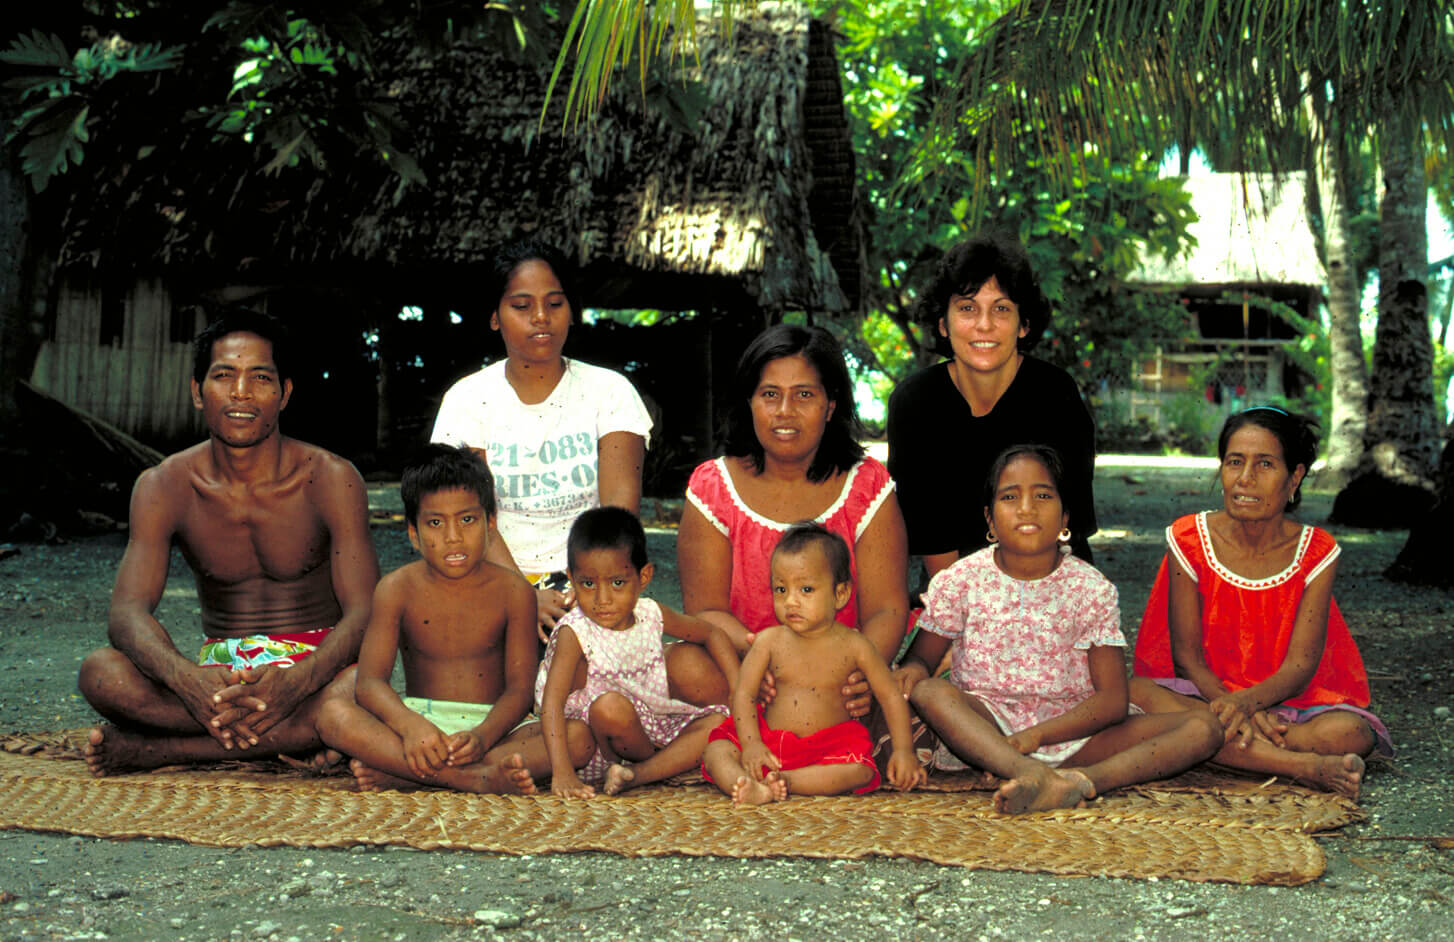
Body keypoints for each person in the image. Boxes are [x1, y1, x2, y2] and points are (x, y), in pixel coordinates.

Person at [78, 310, 380, 775]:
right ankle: (294, 738)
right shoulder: (164, 485)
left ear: (285, 394)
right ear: (198, 392)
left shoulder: (331, 478)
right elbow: (126, 613)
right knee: (99, 673)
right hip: (215, 672)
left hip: (313, 666)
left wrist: (298, 682)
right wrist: (189, 682)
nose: (241, 393)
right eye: (224, 376)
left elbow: (365, 612)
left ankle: (160, 751)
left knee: (357, 687)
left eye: (260, 377)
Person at [894, 445, 1222, 813]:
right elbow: (923, 656)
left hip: (1078, 732)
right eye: (1009, 496)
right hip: (989, 728)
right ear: (989, 519)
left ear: (1065, 517)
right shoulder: (962, 580)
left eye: (1043, 495)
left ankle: (1081, 782)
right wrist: (913, 669)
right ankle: (1026, 772)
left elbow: (1113, 700)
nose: (1026, 507)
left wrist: (1035, 737)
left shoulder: (1090, 589)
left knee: (1204, 730)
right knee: (931, 693)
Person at [1130, 408, 1393, 799]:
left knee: (1351, 734)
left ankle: (1232, 751)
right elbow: (1186, 656)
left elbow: (1301, 667)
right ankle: (1304, 766)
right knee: (1135, 694)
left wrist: (1247, 706)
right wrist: (1229, 706)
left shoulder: (1316, 551)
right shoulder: (1188, 539)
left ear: (1295, 477)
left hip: (1291, 705)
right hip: (1202, 695)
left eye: (1265, 464)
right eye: (1235, 462)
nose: (1245, 478)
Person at [674, 324, 909, 713]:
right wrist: (766, 663)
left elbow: (887, 609)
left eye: (804, 395)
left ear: (830, 405)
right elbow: (705, 611)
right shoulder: (712, 486)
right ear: (749, 401)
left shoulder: (867, 485)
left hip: (839, 674)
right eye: (770, 395)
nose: (785, 411)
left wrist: (857, 673)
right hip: (748, 671)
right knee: (684, 665)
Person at [314, 445, 573, 793]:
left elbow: (520, 690)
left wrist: (482, 736)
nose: (453, 536)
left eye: (467, 519)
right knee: (333, 715)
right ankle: (475, 778)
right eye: (435, 523)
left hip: (495, 729)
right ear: (413, 534)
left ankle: (404, 772)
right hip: (421, 724)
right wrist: (410, 726)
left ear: (490, 524)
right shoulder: (396, 589)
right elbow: (371, 683)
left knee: (580, 737)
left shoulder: (515, 591)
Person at [431, 240, 653, 635]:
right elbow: (470, 517)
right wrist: (524, 595)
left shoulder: (610, 392)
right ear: (495, 317)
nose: (540, 317)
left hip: (591, 582)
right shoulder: (466, 401)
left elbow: (618, 519)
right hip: (492, 577)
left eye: (554, 304)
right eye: (521, 306)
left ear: (571, 311)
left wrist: (581, 592)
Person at [887, 231, 1097, 586]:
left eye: (1001, 309)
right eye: (967, 308)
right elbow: (930, 535)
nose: (984, 325)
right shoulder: (915, 402)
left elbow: (1067, 525)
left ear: (1023, 324)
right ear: (943, 323)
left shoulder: (1055, 394)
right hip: (955, 587)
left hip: (1054, 583)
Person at [701, 523, 925, 804]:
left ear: (840, 594)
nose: (790, 601)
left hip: (827, 748)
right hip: (768, 741)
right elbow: (744, 695)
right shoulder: (768, 642)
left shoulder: (856, 646)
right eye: (780, 589)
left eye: (806, 589)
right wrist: (752, 744)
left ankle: (785, 783)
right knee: (716, 751)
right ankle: (746, 784)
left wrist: (904, 751)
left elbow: (890, 696)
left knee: (860, 771)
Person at [537, 507, 739, 798]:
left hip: (648, 730)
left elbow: (711, 633)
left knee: (717, 723)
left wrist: (738, 688)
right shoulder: (575, 631)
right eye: (588, 584)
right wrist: (563, 773)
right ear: (571, 577)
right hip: (595, 744)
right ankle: (666, 766)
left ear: (644, 577)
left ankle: (637, 776)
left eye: (617, 583)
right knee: (610, 708)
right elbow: (552, 703)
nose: (602, 599)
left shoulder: (650, 613)